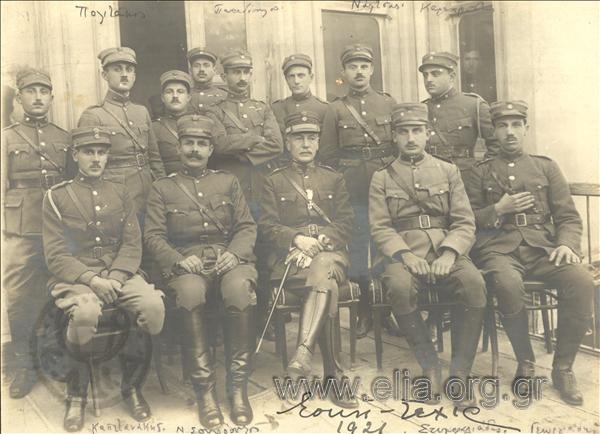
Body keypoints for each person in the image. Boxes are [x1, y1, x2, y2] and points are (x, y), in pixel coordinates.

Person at [463, 100, 594, 405]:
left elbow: (568, 217)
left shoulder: (546, 167)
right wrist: (498, 209)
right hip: (498, 250)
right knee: (508, 285)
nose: (509, 132)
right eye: (502, 126)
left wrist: (566, 244)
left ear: (525, 128)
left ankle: (563, 369)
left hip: (543, 249)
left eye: (516, 125)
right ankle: (526, 363)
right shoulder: (478, 172)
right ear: (494, 131)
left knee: (581, 280)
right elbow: (466, 219)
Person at [42, 126, 165, 431]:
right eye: (89, 152)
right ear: (75, 155)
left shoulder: (120, 192)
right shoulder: (56, 197)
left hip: (119, 272)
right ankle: (77, 393)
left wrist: (116, 276)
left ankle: (131, 387)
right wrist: (93, 280)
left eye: (102, 152)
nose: (96, 159)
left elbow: (132, 243)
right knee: (85, 313)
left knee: (153, 308)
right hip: (77, 277)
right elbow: (55, 254)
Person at [369, 103, 487, 408]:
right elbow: (380, 227)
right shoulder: (382, 177)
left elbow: (464, 221)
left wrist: (449, 253)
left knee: (473, 283)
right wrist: (405, 256)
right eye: (404, 132)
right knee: (399, 286)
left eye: (417, 131)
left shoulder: (448, 171)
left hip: (446, 247)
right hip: (403, 253)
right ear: (394, 136)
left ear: (427, 134)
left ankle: (459, 375)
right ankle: (430, 366)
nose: (411, 138)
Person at [144, 114, 258, 427]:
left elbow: (247, 226)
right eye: (189, 143)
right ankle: (205, 390)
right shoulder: (162, 188)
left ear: (210, 149)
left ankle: (237, 388)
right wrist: (178, 260)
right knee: (190, 293)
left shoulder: (228, 182)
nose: (195, 149)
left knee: (239, 290)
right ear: (179, 147)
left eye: (201, 144)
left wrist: (234, 254)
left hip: (228, 258)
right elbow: (153, 236)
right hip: (187, 262)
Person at [258, 111, 357, 408]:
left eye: (311, 138)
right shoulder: (273, 181)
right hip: (292, 261)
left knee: (324, 265)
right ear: (287, 142)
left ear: (318, 142)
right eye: (298, 138)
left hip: (330, 254)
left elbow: (348, 222)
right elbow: (266, 225)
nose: (305, 144)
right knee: (327, 284)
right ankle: (334, 377)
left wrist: (323, 240)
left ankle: (302, 355)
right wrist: (297, 240)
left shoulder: (334, 178)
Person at [320, 43, 397, 337]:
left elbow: (396, 149)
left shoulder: (388, 104)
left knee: (385, 246)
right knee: (357, 248)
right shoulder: (335, 109)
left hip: (384, 187)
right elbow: (328, 156)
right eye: (353, 67)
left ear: (372, 69)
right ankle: (364, 310)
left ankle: (385, 309)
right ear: (344, 72)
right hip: (352, 190)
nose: (359, 72)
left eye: (364, 66)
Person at [2, 69, 70, 399]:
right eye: (31, 91)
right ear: (20, 98)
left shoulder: (63, 137)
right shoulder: (7, 137)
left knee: (58, 290)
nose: (39, 97)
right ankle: (24, 365)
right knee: (18, 296)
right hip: (20, 227)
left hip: (56, 224)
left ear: (52, 97)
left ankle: (53, 355)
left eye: (44, 91)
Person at [78, 47, 165, 214]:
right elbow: (86, 165)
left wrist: (161, 188)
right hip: (115, 193)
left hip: (148, 189)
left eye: (129, 69)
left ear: (134, 76)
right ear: (105, 75)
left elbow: (154, 158)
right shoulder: (94, 115)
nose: (124, 75)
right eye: (117, 69)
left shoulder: (141, 112)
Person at [211, 49, 283, 216]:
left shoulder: (262, 108)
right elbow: (219, 144)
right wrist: (254, 139)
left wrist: (242, 154)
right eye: (236, 72)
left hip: (261, 185)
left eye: (246, 72)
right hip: (230, 185)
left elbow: (276, 145)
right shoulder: (215, 111)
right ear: (224, 77)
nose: (242, 78)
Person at [419, 51, 497, 169]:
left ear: (451, 77)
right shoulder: (421, 109)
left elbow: (496, 145)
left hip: (463, 174)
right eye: (425, 75)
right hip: (429, 174)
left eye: (435, 74)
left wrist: (481, 172)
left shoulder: (473, 105)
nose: (428, 79)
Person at [152, 70, 227, 175]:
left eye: (180, 91)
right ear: (162, 98)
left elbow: (219, 149)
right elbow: (153, 162)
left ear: (188, 97)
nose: (175, 96)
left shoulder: (205, 122)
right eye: (169, 92)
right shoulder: (154, 128)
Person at [271, 54, 329, 137]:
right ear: (286, 79)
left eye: (301, 76)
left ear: (311, 77)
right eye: (291, 76)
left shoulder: (324, 109)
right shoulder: (276, 109)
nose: (296, 81)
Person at [187, 46, 228, 111]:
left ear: (214, 70)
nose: (201, 69)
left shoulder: (225, 96)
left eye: (206, 65)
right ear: (190, 70)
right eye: (196, 66)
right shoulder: (183, 95)